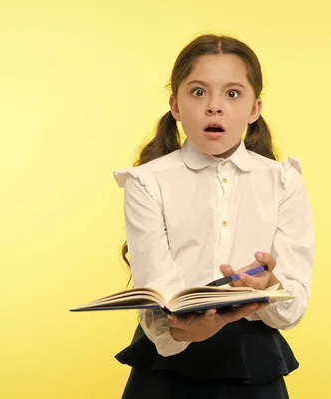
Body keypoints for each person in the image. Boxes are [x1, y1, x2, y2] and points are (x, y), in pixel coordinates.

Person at [112, 33, 315, 399]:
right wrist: (185, 331)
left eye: (232, 93)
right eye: (198, 92)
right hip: (168, 363)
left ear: (255, 109)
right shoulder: (146, 182)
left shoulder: (284, 182)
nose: (214, 107)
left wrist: (268, 287)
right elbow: (157, 289)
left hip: (253, 366)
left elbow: (294, 303)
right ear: (175, 106)